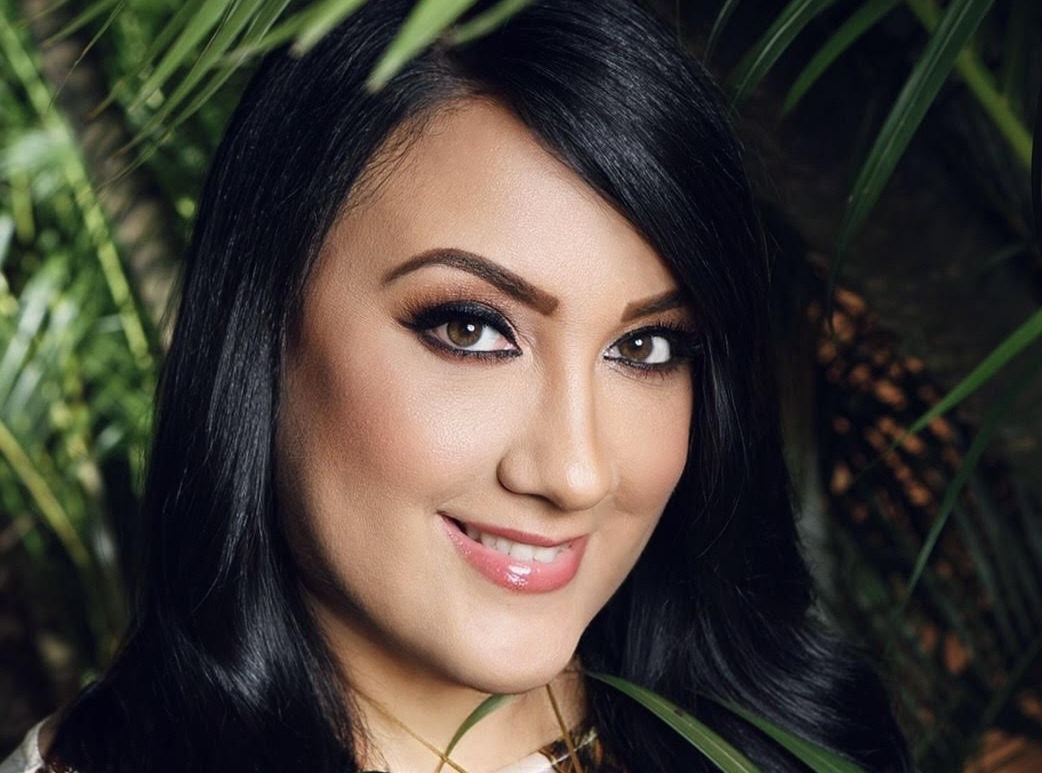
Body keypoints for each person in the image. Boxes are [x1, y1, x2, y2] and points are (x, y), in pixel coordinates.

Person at [1, 0, 914, 771]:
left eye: (646, 346)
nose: (577, 471)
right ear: (264, 324)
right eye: (472, 328)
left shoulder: (789, 746)